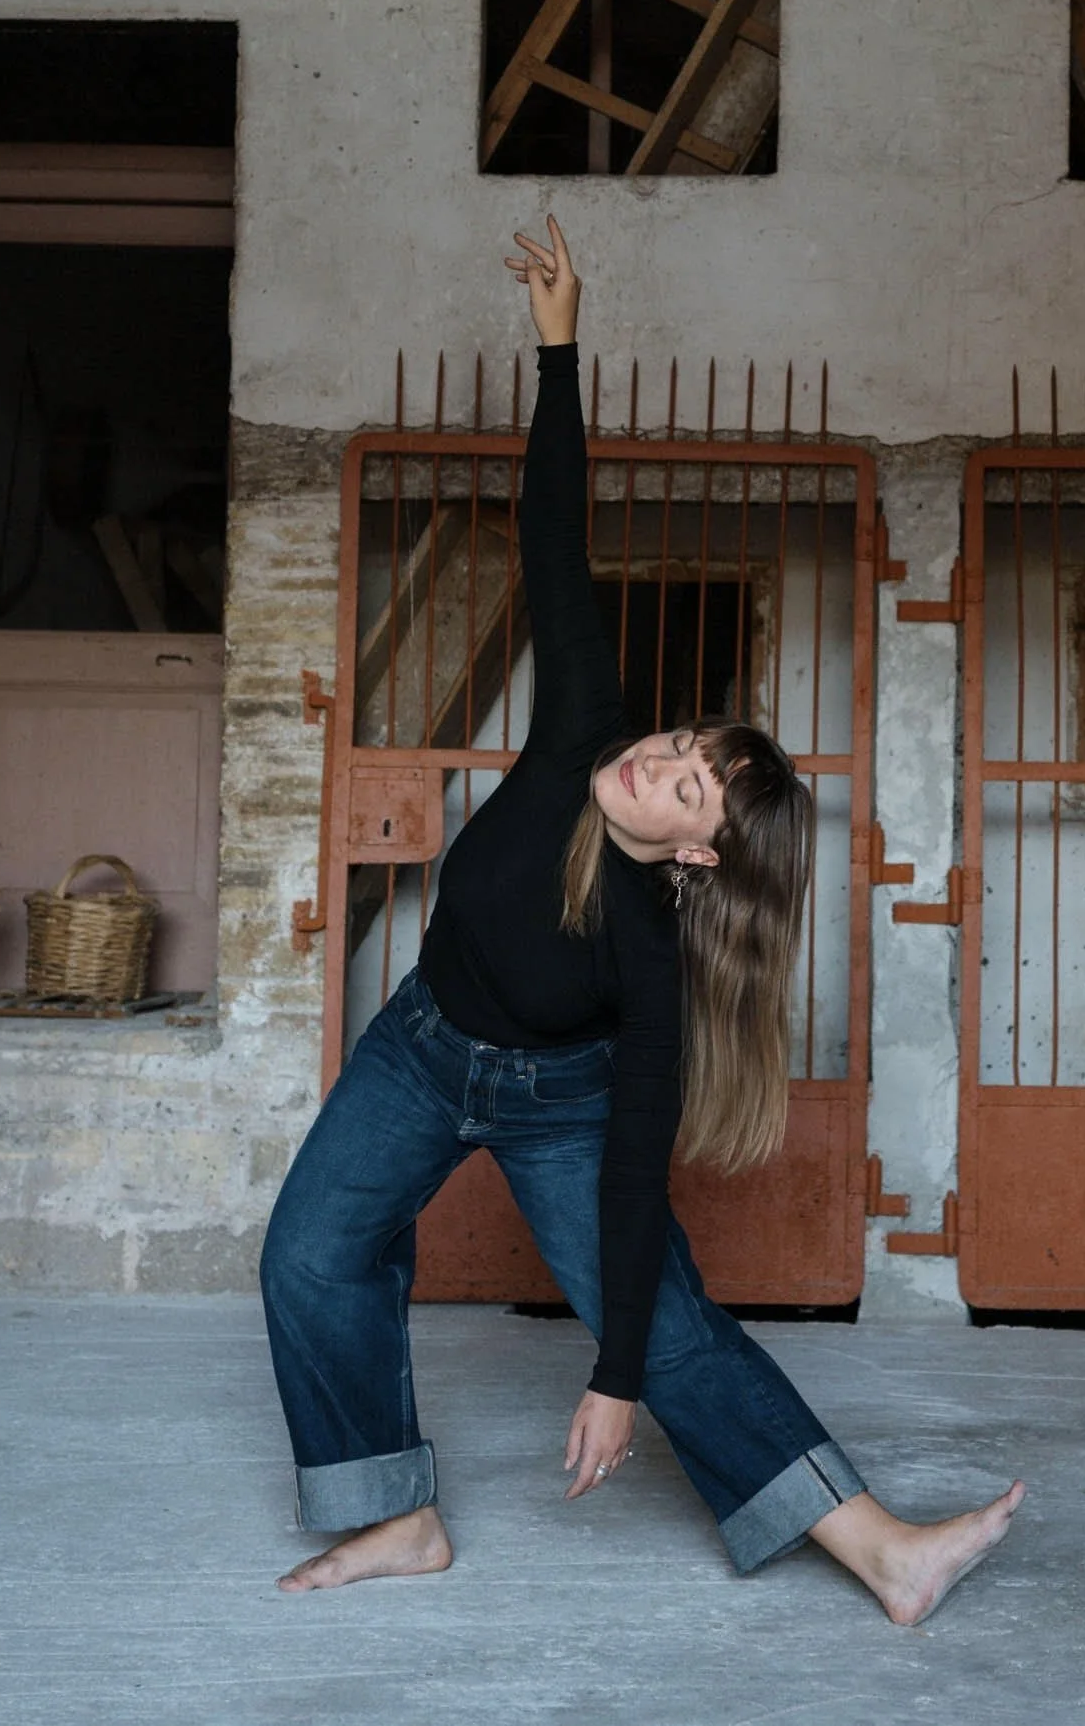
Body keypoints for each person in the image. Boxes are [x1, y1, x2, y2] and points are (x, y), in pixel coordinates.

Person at [259, 215, 1023, 1623]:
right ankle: (392, 1516)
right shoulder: (578, 737)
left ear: (696, 852)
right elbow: (556, 528)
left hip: (558, 1098)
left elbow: (626, 1186)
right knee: (308, 1251)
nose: (653, 760)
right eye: (678, 739)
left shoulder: (651, 960)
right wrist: (559, 345)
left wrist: (610, 1379)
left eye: (685, 781)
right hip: (424, 1045)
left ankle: (886, 1551)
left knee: (665, 1326)